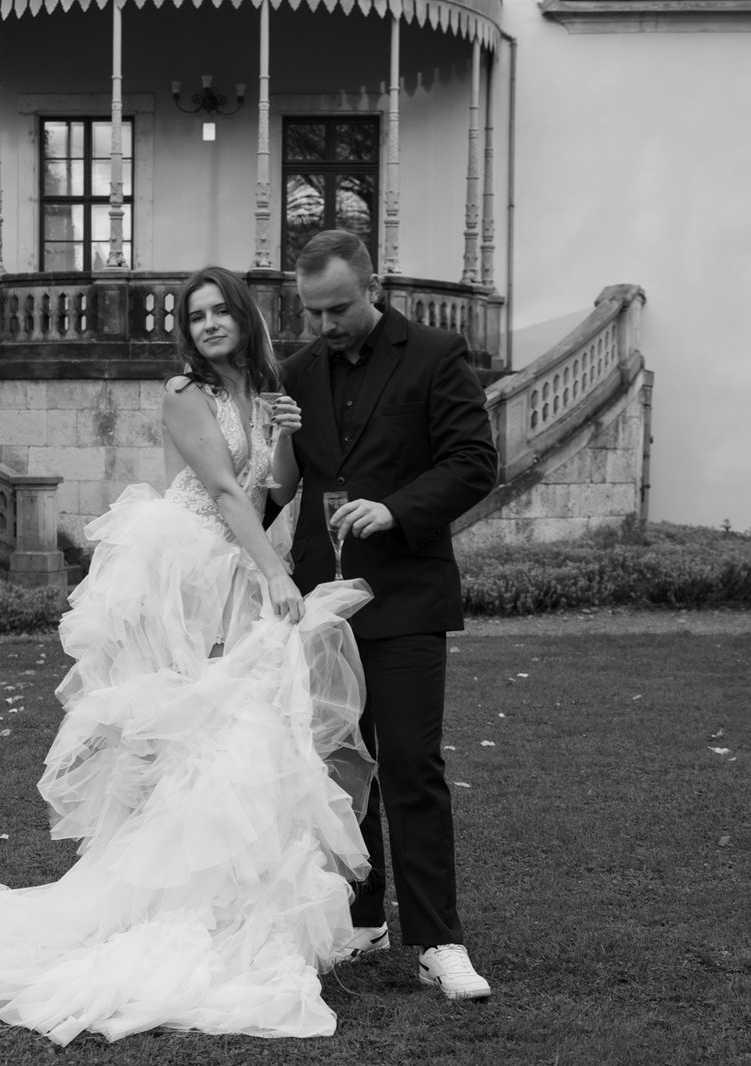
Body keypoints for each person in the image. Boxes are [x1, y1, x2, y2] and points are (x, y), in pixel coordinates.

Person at [0, 265, 376, 1043]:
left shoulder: (258, 387)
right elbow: (220, 490)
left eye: (220, 312)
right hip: (182, 565)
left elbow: (277, 487)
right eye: (197, 315)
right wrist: (275, 570)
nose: (209, 324)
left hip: (234, 561)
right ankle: (163, 903)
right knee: (184, 730)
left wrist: (282, 429)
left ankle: (221, 900)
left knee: (227, 727)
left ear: (245, 318)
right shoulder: (185, 393)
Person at [279, 230, 500, 1001]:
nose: (322, 326)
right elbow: (280, 485)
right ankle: (363, 914)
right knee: (340, 771)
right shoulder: (296, 372)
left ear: (371, 288)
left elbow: (475, 462)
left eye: (336, 309)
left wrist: (396, 509)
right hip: (322, 607)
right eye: (310, 312)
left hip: (406, 597)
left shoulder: (437, 353)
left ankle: (439, 940)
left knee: (410, 766)